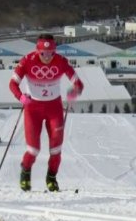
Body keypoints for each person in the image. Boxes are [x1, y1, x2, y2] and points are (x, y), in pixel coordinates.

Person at [9, 34, 84, 192]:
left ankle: (51, 178)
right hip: (33, 109)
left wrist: (75, 90)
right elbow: (13, 83)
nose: (48, 57)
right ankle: (25, 171)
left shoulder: (61, 61)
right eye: (44, 53)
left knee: (56, 147)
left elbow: (78, 82)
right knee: (33, 149)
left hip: (54, 108)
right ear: (38, 51)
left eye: (51, 53)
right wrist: (21, 97)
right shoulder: (27, 61)